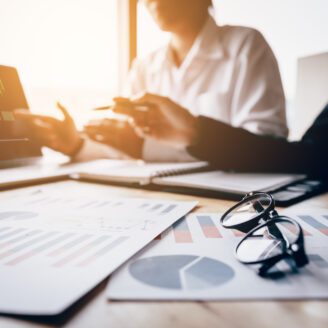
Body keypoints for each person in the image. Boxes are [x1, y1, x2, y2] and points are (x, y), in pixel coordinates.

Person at [16, 0, 287, 162]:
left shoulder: (246, 45)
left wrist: (154, 145)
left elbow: (267, 147)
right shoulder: (145, 66)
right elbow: (124, 148)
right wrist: (74, 144)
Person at [113, 95, 328, 181]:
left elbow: (306, 158)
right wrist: (193, 134)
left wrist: (195, 132)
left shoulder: (245, 44)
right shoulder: (146, 63)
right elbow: (310, 156)